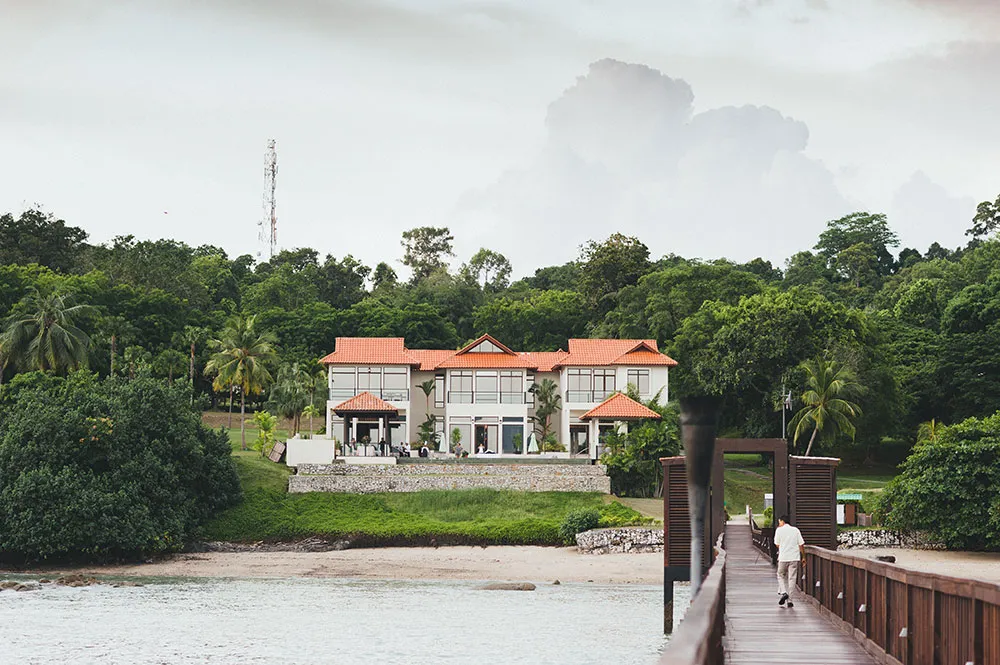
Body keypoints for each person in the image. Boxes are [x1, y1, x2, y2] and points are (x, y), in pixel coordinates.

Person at [773, 514, 805, 608]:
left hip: (783, 557)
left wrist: (783, 548)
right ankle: (790, 600)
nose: (779, 524)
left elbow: (777, 544)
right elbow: (801, 544)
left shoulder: (779, 530)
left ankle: (783, 592)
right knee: (792, 578)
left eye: (779, 522)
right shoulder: (795, 530)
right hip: (794, 557)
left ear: (782, 521)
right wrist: (803, 557)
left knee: (780, 575)